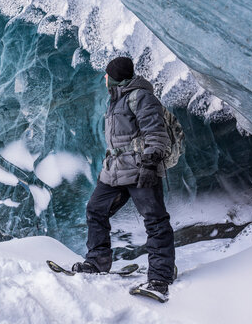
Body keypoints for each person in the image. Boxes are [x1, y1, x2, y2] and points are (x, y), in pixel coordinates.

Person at [72, 57, 176, 297]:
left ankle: (160, 277)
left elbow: (156, 132)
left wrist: (150, 164)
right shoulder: (116, 99)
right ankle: (97, 262)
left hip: (140, 170)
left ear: (115, 76)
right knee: (95, 210)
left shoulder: (141, 97)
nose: (105, 78)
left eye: (107, 74)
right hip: (115, 171)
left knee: (155, 221)